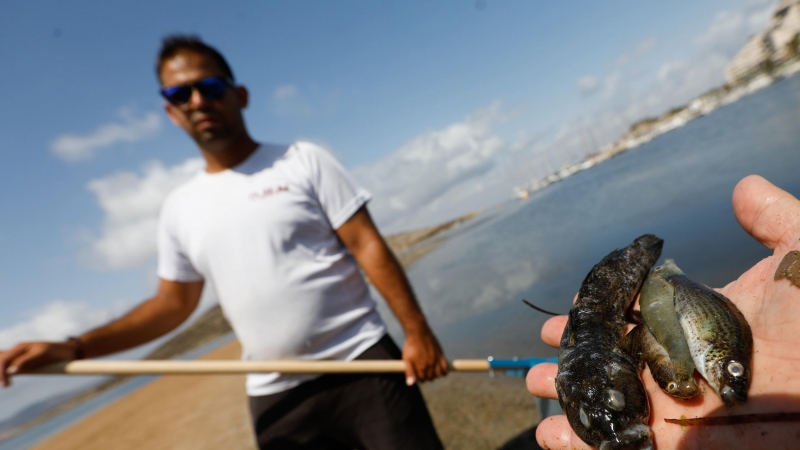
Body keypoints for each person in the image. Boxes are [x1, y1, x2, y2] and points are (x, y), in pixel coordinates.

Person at [0, 35, 447, 449]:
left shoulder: (301, 160)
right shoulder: (179, 208)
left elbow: (366, 244)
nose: (197, 101)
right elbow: (171, 304)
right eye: (180, 94)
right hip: (274, 391)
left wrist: (417, 332)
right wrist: (75, 347)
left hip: (364, 361)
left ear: (240, 94)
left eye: (210, 86)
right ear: (171, 113)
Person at [526, 174, 800, 449]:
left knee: (640, 260)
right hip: (596, 332)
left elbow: (643, 335)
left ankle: (641, 255)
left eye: (615, 401)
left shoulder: (614, 362)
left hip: (597, 322)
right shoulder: (583, 387)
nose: (614, 431)